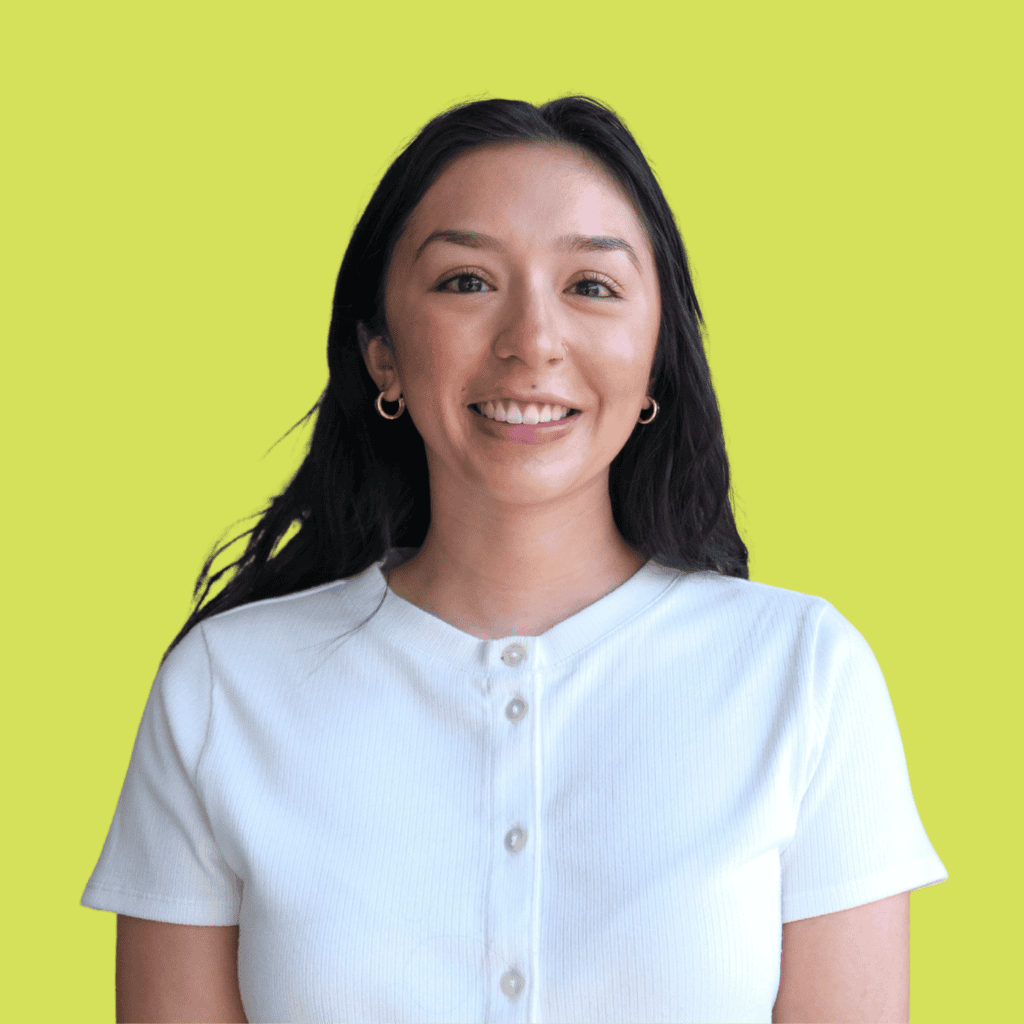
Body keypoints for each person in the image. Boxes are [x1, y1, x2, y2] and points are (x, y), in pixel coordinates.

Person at [82, 96, 947, 1024]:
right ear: (383, 357)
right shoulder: (224, 689)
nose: (532, 341)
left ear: (656, 356)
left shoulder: (802, 676)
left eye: (592, 286)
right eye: (466, 282)